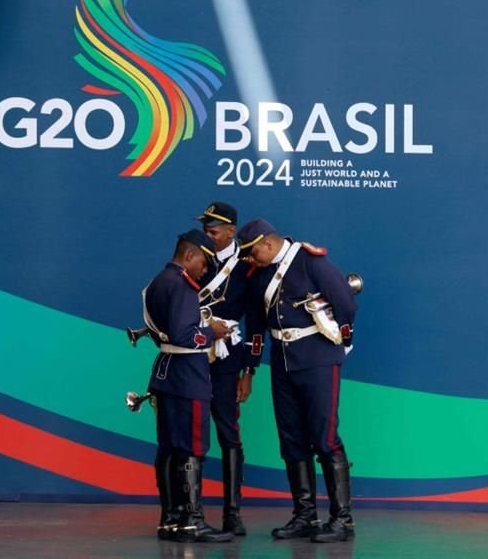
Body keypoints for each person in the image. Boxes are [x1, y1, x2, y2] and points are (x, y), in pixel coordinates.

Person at [237, 218, 358, 543]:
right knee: (291, 439)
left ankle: (342, 519)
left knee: (324, 437)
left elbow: (345, 301)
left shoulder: (309, 260)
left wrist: (343, 343)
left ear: (266, 243)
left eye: (252, 253)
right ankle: (304, 515)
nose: (250, 260)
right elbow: (256, 328)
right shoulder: (258, 274)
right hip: (283, 363)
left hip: (319, 359)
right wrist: (250, 368)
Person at [143, 229, 234, 543]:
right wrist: (213, 332)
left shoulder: (157, 283)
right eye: (204, 264)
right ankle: (193, 521)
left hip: (165, 372)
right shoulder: (182, 286)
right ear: (191, 255)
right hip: (187, 375)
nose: (205, 271)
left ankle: (170, 520)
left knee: (168, 449)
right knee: (193, 448)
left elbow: (162, 332)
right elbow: (186, 335)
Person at [195, 202, 263, 535]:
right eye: (206, 230)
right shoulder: (197, 259)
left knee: (228, 433)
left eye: (214, 230)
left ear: (230, 230)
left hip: (227, 359)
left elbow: (257, 323)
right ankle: (190, 512)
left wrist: (249, 370)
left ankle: (232, 513)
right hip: (193, 354)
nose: (208, 235)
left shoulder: (247, 267)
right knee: (191, 432)